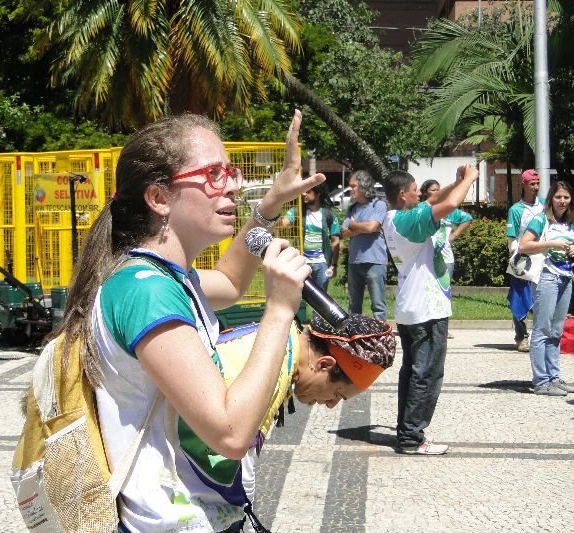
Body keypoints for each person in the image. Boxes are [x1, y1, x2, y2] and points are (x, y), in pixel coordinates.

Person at [52, 110, 323, 533]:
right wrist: (279, 310)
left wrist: (270, 204)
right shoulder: (146, 291)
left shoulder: (165, 278)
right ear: (159, 198)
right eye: (213, 174)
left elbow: (231, 282)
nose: (232, 185)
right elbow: (230, 434)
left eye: (230, 172)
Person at [215, 315, 394, 515]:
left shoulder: (279, 338)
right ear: (324, 365)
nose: (331, 405)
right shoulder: (269, 378)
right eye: (337, 394)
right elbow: (237, 479)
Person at [383, 165, 479, 455]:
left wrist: (457, 181)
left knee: (413, 373)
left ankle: (406, 431)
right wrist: (470, 179)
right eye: (415, 190)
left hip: (412, 306)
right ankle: (412, 438)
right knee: (426, 374)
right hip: (426, 309)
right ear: (403, 194)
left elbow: (434, 200)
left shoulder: (396, 217)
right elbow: (449, 205)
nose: (421, 195)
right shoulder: (409, 220)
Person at [518, 180, 574, 396]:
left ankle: (554, 376)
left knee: (556, 331)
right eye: (558, 197)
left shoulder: (569, 222)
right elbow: (524, 245)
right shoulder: (541, 219)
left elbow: (567, 246)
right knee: (542, 329)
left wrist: (572, 250)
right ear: (551, 198)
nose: (562, 201)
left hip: (565, 277)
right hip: (546, 277)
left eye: (566, 197)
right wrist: (552, 244)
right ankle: (541, 381)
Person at [420, 178, 473, 339]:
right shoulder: (422, 209)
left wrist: (454, 235)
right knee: (425, 292)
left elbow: (467, 218)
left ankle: (442, 328)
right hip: (426, 258)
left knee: (443, 294)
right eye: (433, 190)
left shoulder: (447, 209)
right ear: (425, 193)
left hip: (445, 258)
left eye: (438, 189)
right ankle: (424, 326)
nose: (437, 192)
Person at [341, 170, 388, 322]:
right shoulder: (352, 208)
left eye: (353, 186)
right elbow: (344, 232)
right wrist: (364, 228)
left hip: (375, 261)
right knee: (354, 305)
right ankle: (355, 331)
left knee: (378, 304)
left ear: (363, 185)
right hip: (354, 262)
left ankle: (381, 332)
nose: (350, 189)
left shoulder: (378, 204)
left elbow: (370, 227)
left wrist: (353, 224)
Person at [506, 170, 545, 352]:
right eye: (532, 184)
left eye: (538, 183)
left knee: (543, 298)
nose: (536, 187)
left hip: (544, 258)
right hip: (524, 260)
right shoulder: (516, 210)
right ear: (523, 185)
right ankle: (521, 338)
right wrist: (518, 265)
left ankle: (543, 337)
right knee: (520, 299)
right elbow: (512, 239)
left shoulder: (545, 205)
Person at [281, 183, 340, 291]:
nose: (304, 194)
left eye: (308, 192)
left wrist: (334, 265)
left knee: (320, 296)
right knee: (298, 293)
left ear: (318, 194)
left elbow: (335, 241)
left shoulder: (329, 215)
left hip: (321, 263)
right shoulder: (297, 211)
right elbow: (282, 224)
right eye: (303, 191)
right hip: (301, 262)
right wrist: (273, 210)